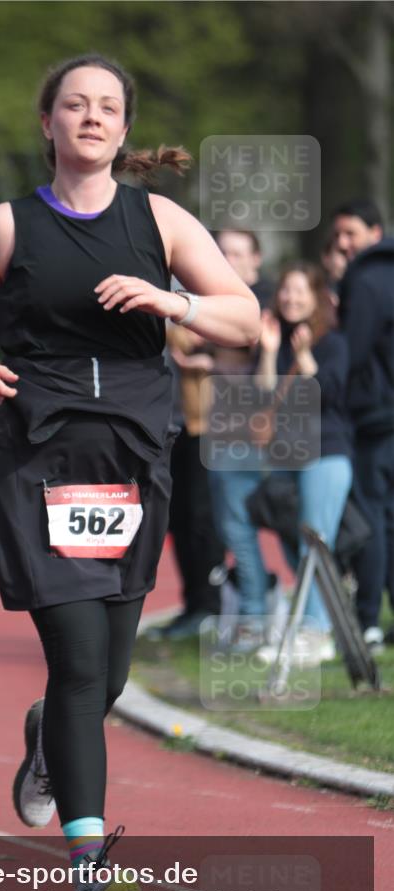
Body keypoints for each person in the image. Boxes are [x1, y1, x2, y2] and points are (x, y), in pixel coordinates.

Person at [0, 53, 259, 891]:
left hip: (132, 459)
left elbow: (245, 317)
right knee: (80, 665)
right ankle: (88, 869)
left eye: (106, 106)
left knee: (106, 675)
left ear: (122, 128)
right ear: (46, 124)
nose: (89, 117)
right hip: (38, 457)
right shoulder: (4, 226)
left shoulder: (158, 219)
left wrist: (171, 300)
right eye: (72, 104)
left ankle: (47, 736)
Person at [253, 263, 353, 666]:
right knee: (292, 537)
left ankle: (316, 633)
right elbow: (261, 395)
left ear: (315, 296)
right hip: (286, 454)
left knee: (316, 545)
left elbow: (326, 394)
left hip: (325, 453)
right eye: (286, 291)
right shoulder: (278, 337)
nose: (290, 298)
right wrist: (271, 351)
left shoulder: (333, 342)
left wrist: (306, 355)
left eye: (300, 291)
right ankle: (315, 623)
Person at [206, 230, 277, 651]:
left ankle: (255, 615)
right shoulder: (219, 301)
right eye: (221, 252)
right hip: (222, 435)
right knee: (232, 528)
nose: (228, 260)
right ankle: (261, 607)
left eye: (236, 252)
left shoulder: (261, 303)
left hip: (253, 438)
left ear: (256, 259)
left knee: (240, 528)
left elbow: (261, 368)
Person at [332, 199, 394, 651]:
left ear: (376, 232)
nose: (343, 244)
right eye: (338, 236)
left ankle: (368, 619)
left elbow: (351, 352)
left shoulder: (368, 279)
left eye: (350, 233)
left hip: (377, 418)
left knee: (371, 518)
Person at [145, 323, 225, 640]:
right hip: (166, 431)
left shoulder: (191, 301)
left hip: (201, 430)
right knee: (178, 523)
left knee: (200, 521)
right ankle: (193, 606)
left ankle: (209, 607)